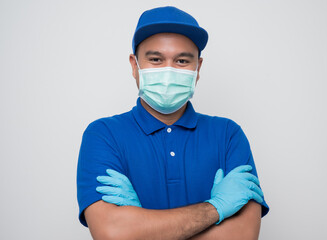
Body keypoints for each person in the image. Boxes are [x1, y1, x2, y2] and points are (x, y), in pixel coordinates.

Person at [77, 6, 269, 239]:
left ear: (198, 68)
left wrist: (141, 227)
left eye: (181, 61)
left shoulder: (228, 135)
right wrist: (216, 208)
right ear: (134, 65)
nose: (168, 71)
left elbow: (243, 235)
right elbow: (112, 234)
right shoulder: (103, 135)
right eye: (156, 59)